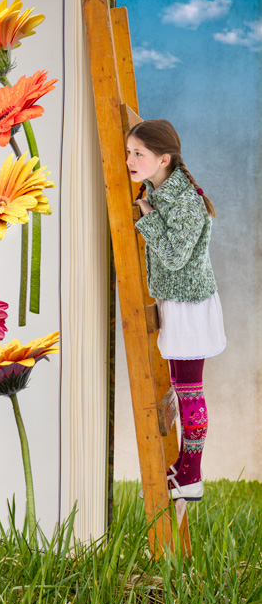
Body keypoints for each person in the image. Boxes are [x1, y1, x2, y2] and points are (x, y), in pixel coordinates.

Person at [126, 119, 226, 501]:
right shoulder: (162, 187)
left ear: (163, 158)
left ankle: (192, 475)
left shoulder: (184, 201)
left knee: (190, 393)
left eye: (139, 154)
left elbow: (172, 256)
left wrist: (146, 217)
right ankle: (187, 469)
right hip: (179, 301)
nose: (131, 160)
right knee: (184, 391)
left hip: (190, 306)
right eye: (130, 152)